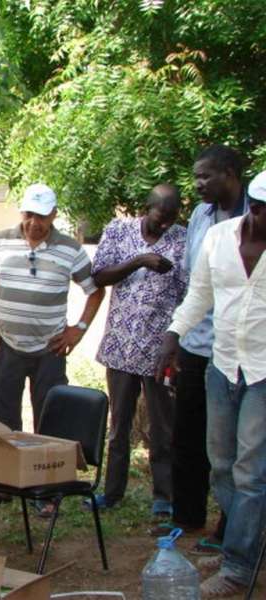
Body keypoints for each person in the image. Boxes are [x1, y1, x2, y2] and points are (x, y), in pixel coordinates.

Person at [156, 171, 266, 598]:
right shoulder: (219, 238)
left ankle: (239, 566)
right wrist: (172, 337)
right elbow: (199, 294)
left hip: (262, 374)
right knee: (221, 461)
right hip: (222, 365)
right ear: (254, 209)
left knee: (251, 472)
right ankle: (245, 543)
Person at [0, 183, 104, 514]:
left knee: (51, 417)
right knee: (2, 414)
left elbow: (94, 291)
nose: (33, 223)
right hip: (6, 345)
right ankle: (3, 485)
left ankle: (48, 491)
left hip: (50, 349)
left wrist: (78, 330)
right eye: (28, 214)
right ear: (21, 213)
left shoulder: (70, 249)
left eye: (41, 216)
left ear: (53, 215)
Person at [89, 185, 186, 516]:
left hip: (158, 350)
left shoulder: (182, 239)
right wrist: (140, 260)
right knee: (119, 426)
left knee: (162, 426)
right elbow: (99, 276)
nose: (165, 225)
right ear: (148, 208)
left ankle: (163, 495)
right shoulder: (119, 231)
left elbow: (188, 291)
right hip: (120, 346)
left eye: (171, 219)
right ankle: (112, 492)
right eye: (161, 217)